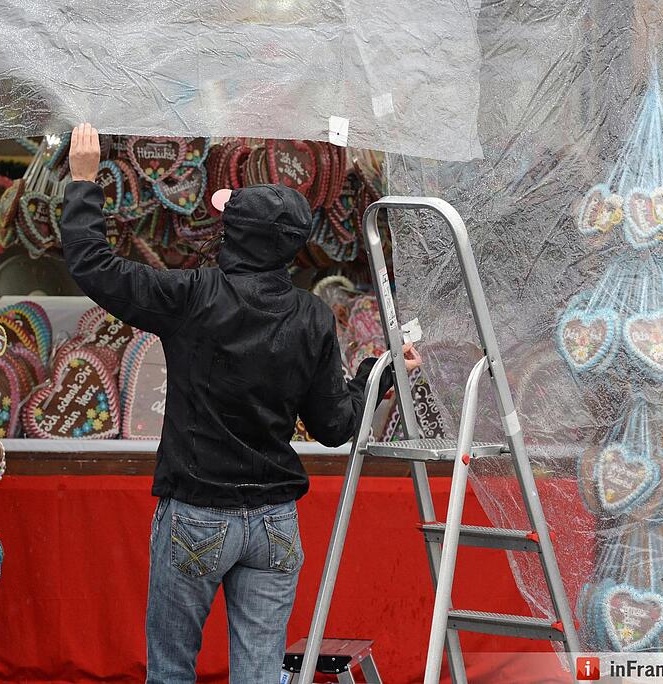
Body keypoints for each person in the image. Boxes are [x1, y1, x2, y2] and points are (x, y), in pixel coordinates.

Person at [60, 123, 421, 683]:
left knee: (172, 670)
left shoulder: (193, 297)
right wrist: (380, 371)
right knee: (258, 675)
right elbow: (335, 426)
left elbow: (93, 266)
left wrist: (83, 182)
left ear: (236, 236)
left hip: (198, 514)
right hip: (275, 523)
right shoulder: (311, 316)